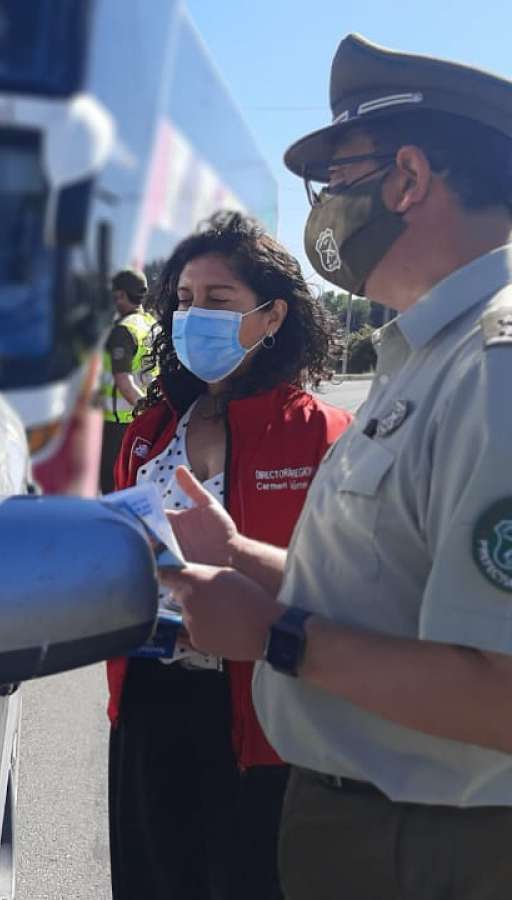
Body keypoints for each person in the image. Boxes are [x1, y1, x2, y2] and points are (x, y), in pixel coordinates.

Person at [159, 35, 512, 900]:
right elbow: (393, 598)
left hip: (434, 849)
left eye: (338, 177)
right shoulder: (433, 354)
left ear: (408, 179)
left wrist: (279, 638)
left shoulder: (495, 367)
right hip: (378, 831)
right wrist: (244, 558)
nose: (322, 210)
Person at [106, 212, 351, 900]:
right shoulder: (152, 430)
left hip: (263, 717)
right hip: (151, 698)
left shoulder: (321, 433)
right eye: (183, 300)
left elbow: (358, 586)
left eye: (218, 301)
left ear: (272, 317)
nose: (194, 317)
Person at [98, 268, 155, 493]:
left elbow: (124, 383)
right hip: (141, 420)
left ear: (121, 295)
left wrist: (145, 411)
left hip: (120, 422)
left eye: (115, 295)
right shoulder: (150, 323)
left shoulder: (123, 330)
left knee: (112, 486)